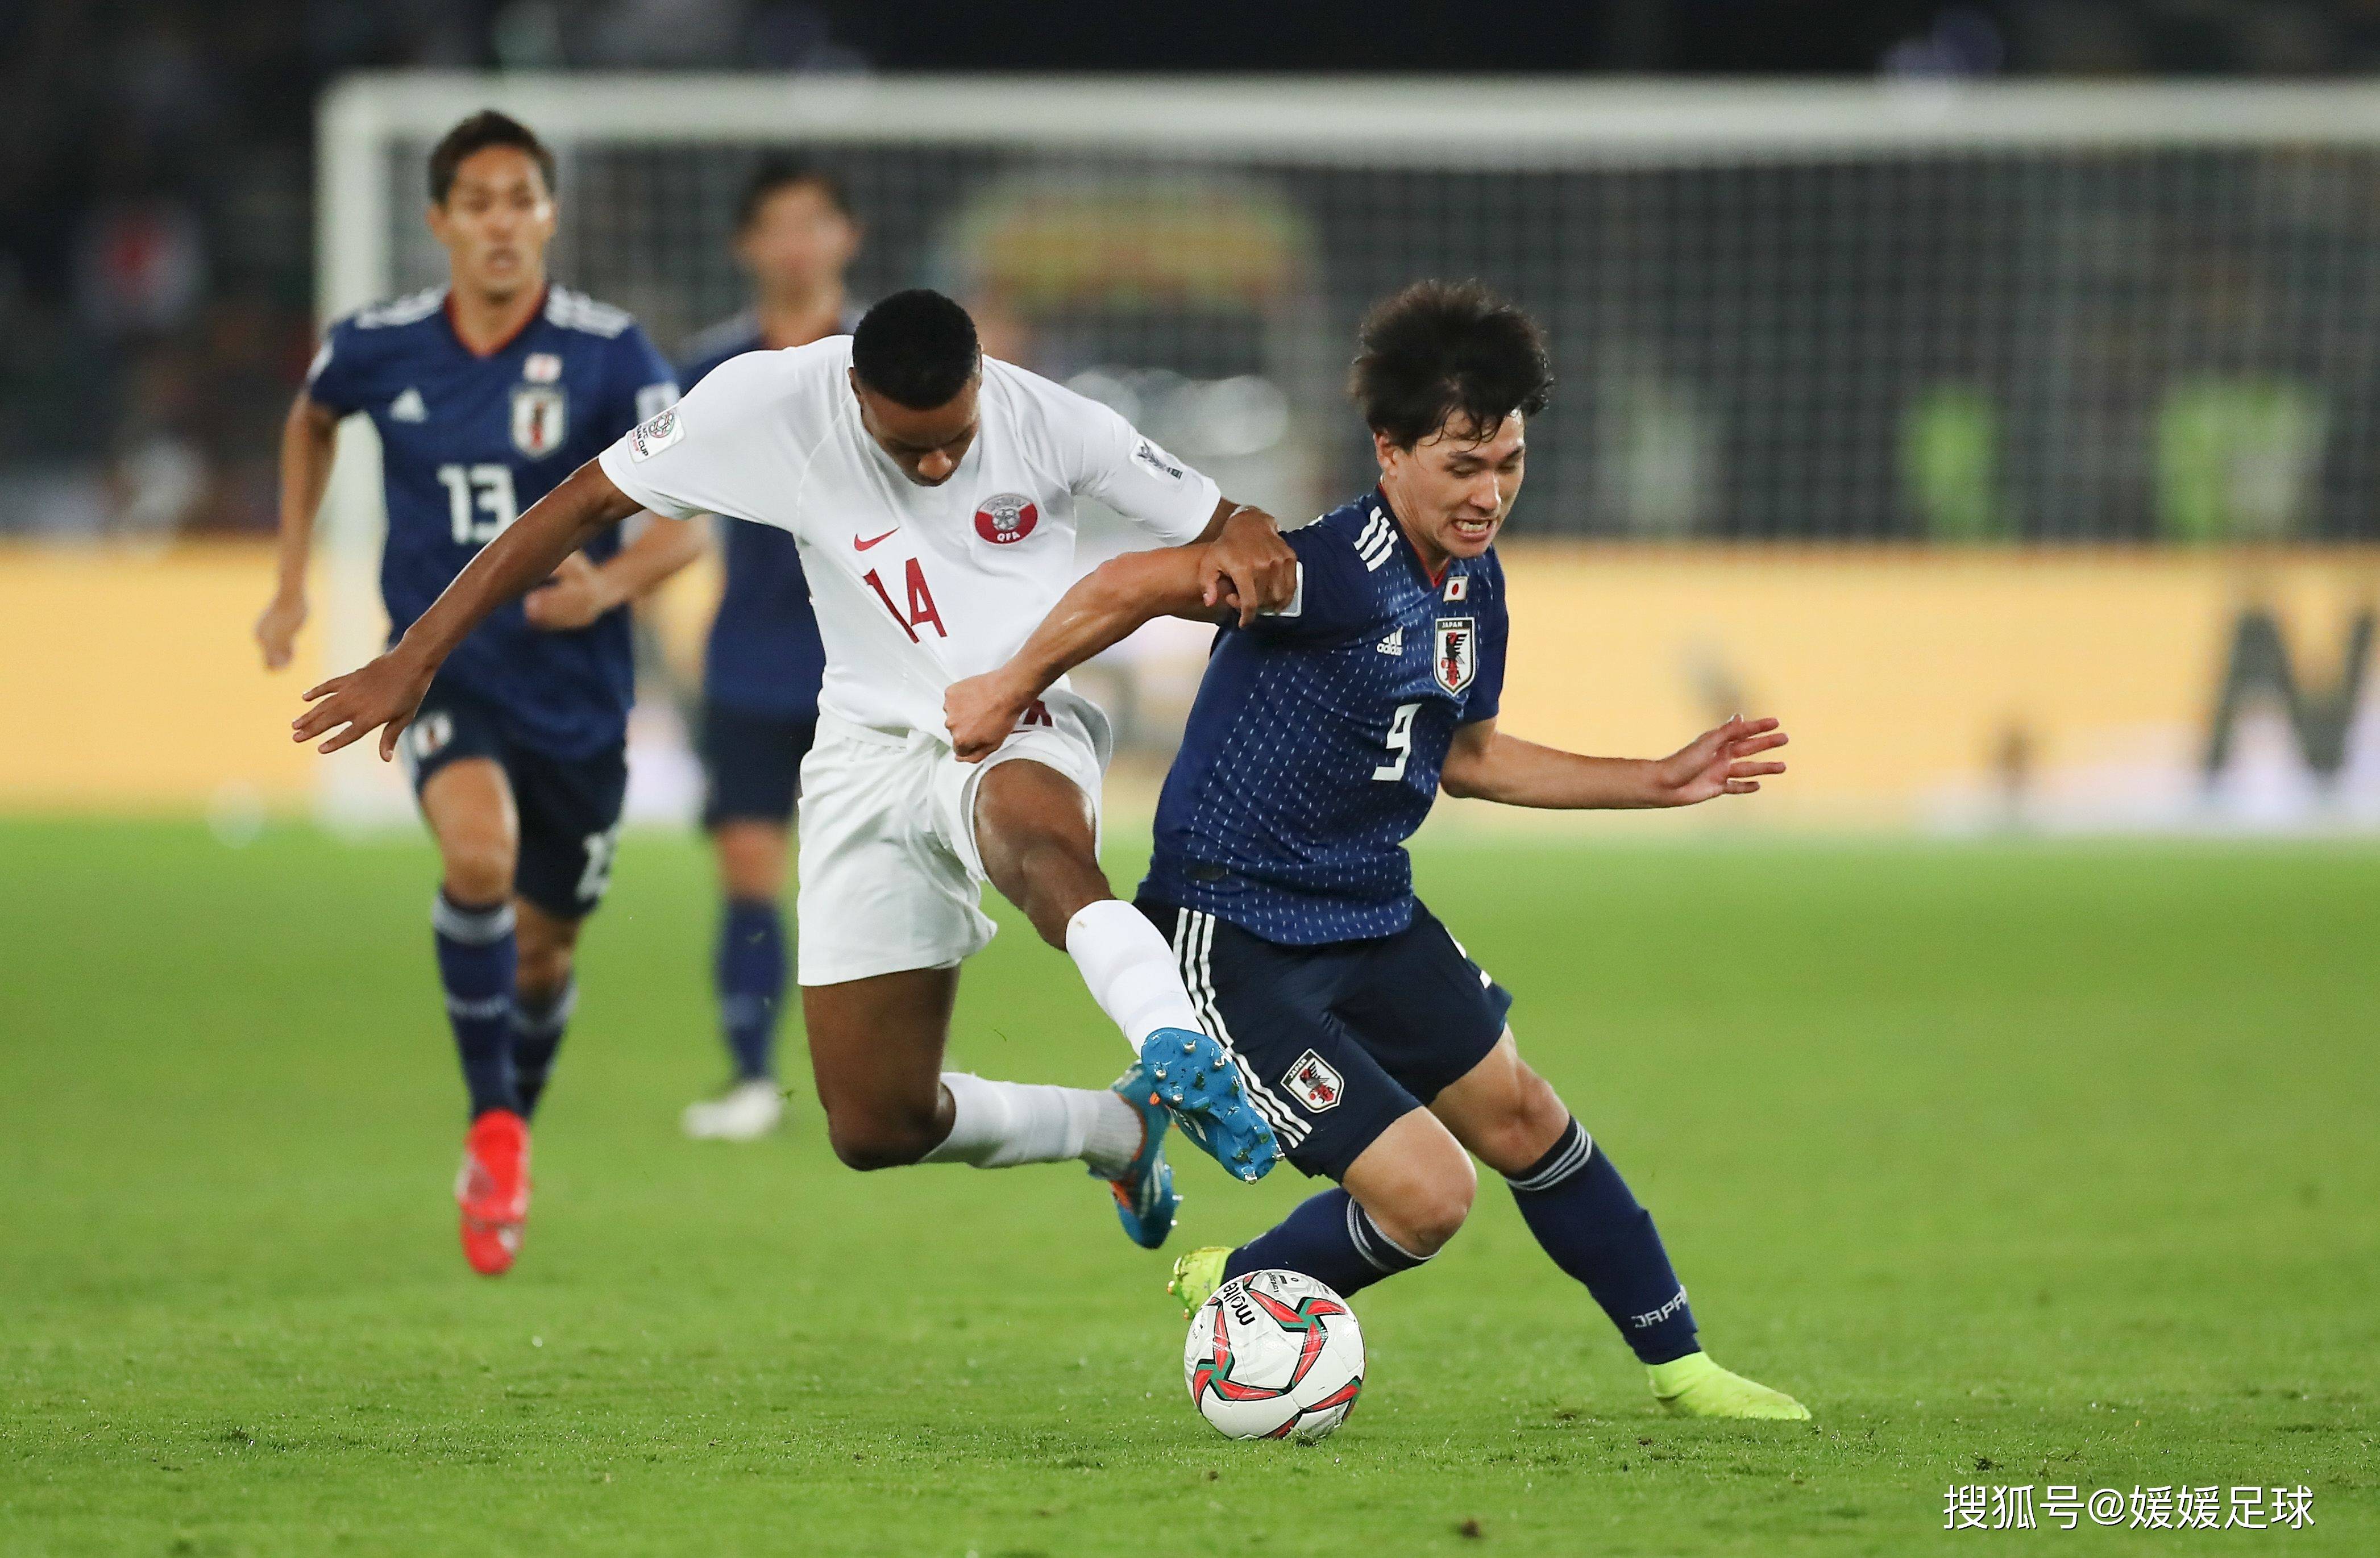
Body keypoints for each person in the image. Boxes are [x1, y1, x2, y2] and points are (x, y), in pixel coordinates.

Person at [943, 280, 1810, 1419]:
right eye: (1462, 464)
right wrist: (1010, 685)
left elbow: (1472, 758)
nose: (1490, 492)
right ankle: (1248, 1280)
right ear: (1389, 450)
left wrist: (1654, 779)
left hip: (1372, 913)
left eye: (1508, 462)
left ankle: (1685, 1369)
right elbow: (1132, 580)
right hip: (1236, 936)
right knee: (1430, 1201)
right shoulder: (1322, 570)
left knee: (1528, 1120)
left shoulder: (1473, 587)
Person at [291, 288, 1302, 1259]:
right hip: (865, 749)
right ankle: (1117, 1131)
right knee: (875, 1121)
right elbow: (581, 502)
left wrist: (1251, 527)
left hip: (1015, 717)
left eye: (958, 432)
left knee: (1037, 844)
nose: (943, 459)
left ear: (982, 378)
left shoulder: (1052, 418)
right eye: (913, 446)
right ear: (856, 394)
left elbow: (1226, 521)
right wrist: (417, 653)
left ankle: (1174, 1037)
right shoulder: (765, 403)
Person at [255, 111, 703, 1277]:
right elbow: (309, 422)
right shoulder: (378, 343)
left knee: (546, 956)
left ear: (549, 215)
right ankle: (496, 1128)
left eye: (523, 200)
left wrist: (604, 586)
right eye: (481, 203)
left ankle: (503, 1124)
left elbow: (684, 527)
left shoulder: (610, 352)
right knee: (479, 862)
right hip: (444, 673)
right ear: (440, 222)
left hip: (577, 696)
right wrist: (294, 579)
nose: (503, 223)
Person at [675, 159, 862, 1142]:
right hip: (748, 657)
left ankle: (898, 1069)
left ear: (846, 237)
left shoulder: (889, 356)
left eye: (813, 222)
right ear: (749, 245)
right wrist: (605, 584)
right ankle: (752, 1077)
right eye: (776, 227)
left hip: (869, 659)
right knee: (749, 865)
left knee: (891, 871)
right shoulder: (708, 369)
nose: (796, 243)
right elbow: (669, 513)